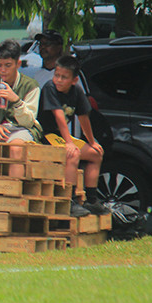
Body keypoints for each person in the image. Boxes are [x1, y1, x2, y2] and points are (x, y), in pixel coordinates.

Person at [37, 55, 108, 217]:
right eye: (56, 75)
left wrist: (91, 142)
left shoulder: (76, 91)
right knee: (73, 153)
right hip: (46, 134)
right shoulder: (50, 88)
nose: (58, 80)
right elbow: (59, 117)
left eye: (64, 77)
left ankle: (91, 200)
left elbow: (84, 117)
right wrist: (69, 142)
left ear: (74, 80)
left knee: (96, 153)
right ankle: (71, 201)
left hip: (61, 136)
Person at [0, 39, 43, 177]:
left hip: (22, 129)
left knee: (16, 148)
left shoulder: (30, 86)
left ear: (18, 64)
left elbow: (29, 122)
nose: (3, 70)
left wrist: (16, 101)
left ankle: (13, 192)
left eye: (7, 65)